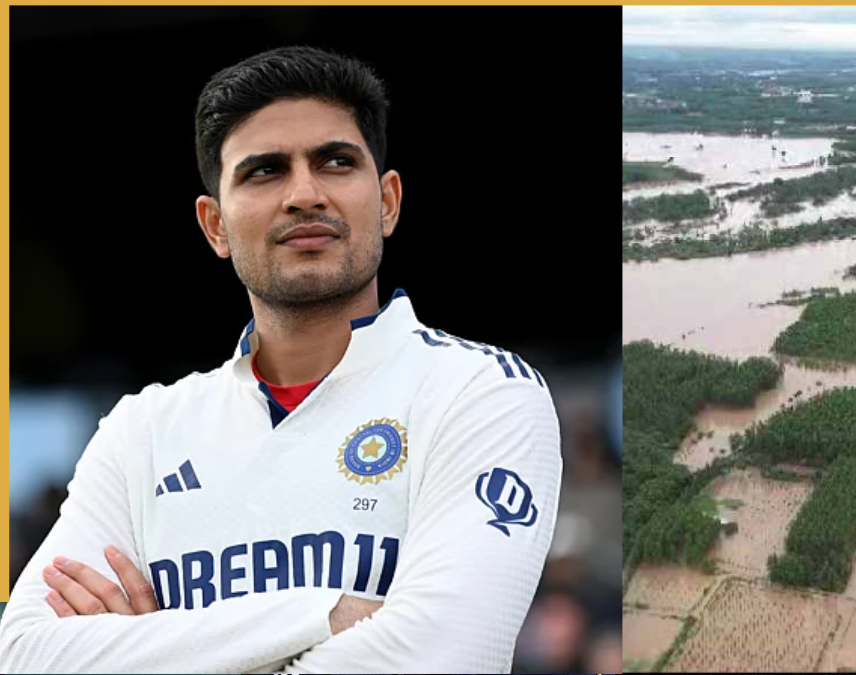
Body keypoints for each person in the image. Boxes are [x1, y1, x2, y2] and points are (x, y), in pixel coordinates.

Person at [0, 45, 562, 674]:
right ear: (214, 225)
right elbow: (25, 654)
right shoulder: (143, 429)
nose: (303, 194)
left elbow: (441, 656)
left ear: (387, 201)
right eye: (264, 172)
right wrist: (325, 614)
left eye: (335, 162)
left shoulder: (480, 391)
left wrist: (156, 648)